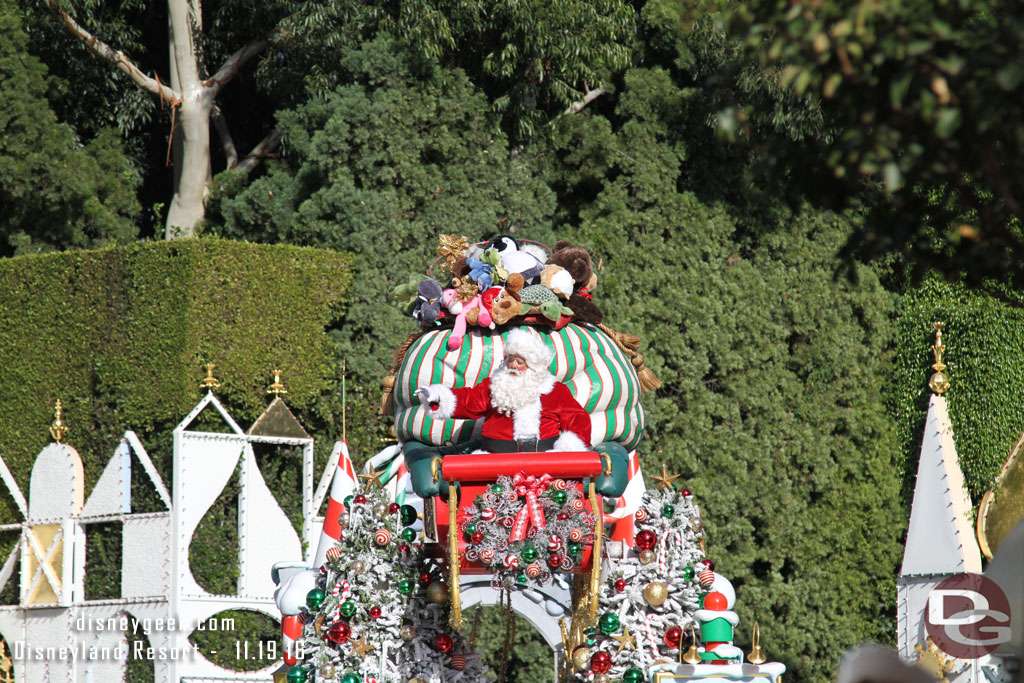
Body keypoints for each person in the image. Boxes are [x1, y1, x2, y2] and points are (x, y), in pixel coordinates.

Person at [415, 328, 592, 453]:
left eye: (520, 362)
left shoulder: (554, 390)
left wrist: (570, 448)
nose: (513, 365)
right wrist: (439, 396)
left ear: (533, 367)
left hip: (543, 459)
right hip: (496, 458)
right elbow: (469, 400)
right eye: (510, 359)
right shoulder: (494, 386)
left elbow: (577, 417)